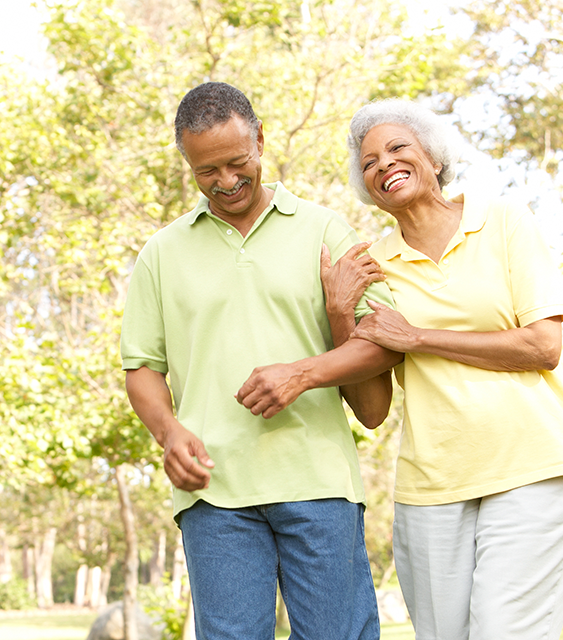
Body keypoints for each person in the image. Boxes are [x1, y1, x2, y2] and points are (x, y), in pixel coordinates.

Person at [120, 81, 402, 640]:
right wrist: (169, 432)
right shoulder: (160, 254)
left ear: (261, 141)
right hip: (214, 493)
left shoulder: (325, 230)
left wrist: (301, 374)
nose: (225, 182)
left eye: (236, 162)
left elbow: (385, 340)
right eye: (206, 171)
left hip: (318, 480)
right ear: (187, 165)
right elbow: (142, 368)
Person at [324, 98, 563, 639]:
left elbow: (543, 345)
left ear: (434, 157)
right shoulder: (374, 266)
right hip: (432, 483)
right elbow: (372, 411)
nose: (384, 165)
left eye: (397, 148)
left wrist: (419, 338)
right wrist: (338, 312)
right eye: (369, 161)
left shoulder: (504, 221)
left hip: (531, 464)